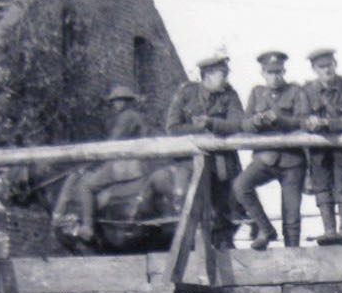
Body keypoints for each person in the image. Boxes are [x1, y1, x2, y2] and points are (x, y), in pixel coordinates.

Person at [164, 50, 246, 246]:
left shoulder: (230, 94)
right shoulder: (186, 93)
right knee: (187, 201)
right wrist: (200, 130)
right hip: (191, 161)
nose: (226, 78)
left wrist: (210, 124)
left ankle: (225, 246)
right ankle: (191, 245)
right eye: (222, 74)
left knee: (229, 206)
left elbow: (238, 124)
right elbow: (172, 128)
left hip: (222, 162)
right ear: (207, 76)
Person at [231, 51, 311, 249]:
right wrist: (255, 122)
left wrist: (280, 120)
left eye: (278, 72)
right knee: (241, 186)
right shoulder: (257, 93)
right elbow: (245, 124)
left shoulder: (296, 92)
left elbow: (303, 121)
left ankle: (292, 253)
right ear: (263, 73)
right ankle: (265, 229)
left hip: (292, 161)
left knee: (291, 213)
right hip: (265, 158)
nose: (275, 76)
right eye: (270, 72)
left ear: (284, 71)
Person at [71, 85, 148, 243]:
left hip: (125, 163)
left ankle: (87, 227)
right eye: (114, 101)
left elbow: (112, 144)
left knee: (87, 186)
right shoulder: (135, 116)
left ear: (126, 101)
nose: (115, 104)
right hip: (133, 161)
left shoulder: (126, 117)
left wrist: (92, 162)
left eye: (118, 101)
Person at [303, 48, 342, 244]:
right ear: (314, 69)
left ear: (335, 65)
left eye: (329, 65)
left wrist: (327, 123)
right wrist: (309, 122)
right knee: (321, 186)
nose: (327, 70)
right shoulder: (307, 91)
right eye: (321, 67)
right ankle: (329, 231)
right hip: (319, 148)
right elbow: (301, 117)